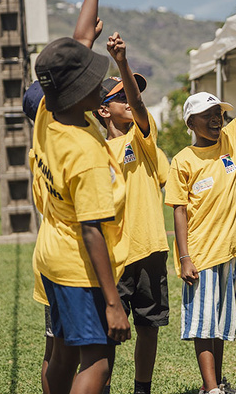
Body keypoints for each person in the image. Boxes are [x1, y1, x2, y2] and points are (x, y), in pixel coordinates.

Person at [165, 29, 236, 394]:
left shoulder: (230, 140)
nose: (216, 119)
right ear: (190, 123)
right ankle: (210, 389)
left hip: (230, 251)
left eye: (218, 114)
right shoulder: (182, 161)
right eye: (207, 115)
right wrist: (184, 257)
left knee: (221, 323)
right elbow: (179, 211)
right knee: (202, 324)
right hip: (201, 254)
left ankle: (218, 384)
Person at [30, 36, 130, 394]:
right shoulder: (86, 154)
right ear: (76, 92)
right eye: (93, 82)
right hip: (78, 267)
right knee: (98, 363)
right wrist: (113, 303)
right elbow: (91, 230)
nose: (101, 87)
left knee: (63, 351)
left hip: (50, 257)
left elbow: (79, 36)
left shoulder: (46, 111)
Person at [95, 32, 171, 394]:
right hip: (111, 255)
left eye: (131, 94)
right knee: (107, 331)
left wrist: (122, 63)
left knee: (148, 326)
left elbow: (140, 108)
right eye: (119, 97)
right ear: (102, 109)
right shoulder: (92, 149)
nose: (129, 100)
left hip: (149, 246)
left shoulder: (141, 138)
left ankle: (143, 389)